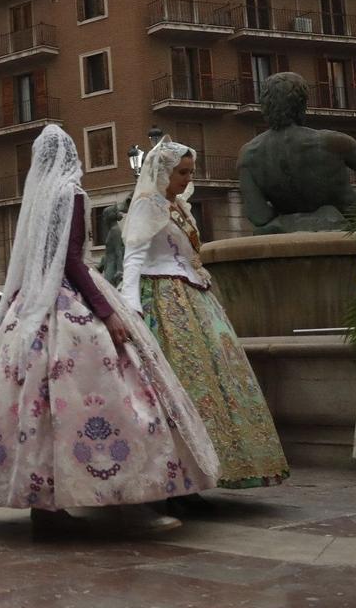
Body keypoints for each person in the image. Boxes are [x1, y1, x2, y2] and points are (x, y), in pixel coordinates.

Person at [0, 125, 219, 534]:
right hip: (72, 301)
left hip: (29, 306)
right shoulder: (72, 193)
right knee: (120, 398)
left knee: (38, 408)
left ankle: (45, 509)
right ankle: (126, 498)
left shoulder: (39, 197)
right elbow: (72, 262)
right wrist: (108, 312)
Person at [120, 143, 289, 491]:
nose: (187, 179)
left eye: (189, 172)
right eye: (182, 172)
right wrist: (131, 307)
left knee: (215, 382)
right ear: (164, 172)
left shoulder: (178, 206)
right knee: (181, 382)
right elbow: (133, 257)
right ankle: (177, 476)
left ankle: (206, 472)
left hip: (194, 296)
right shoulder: (147, 206)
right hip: (163, 300)